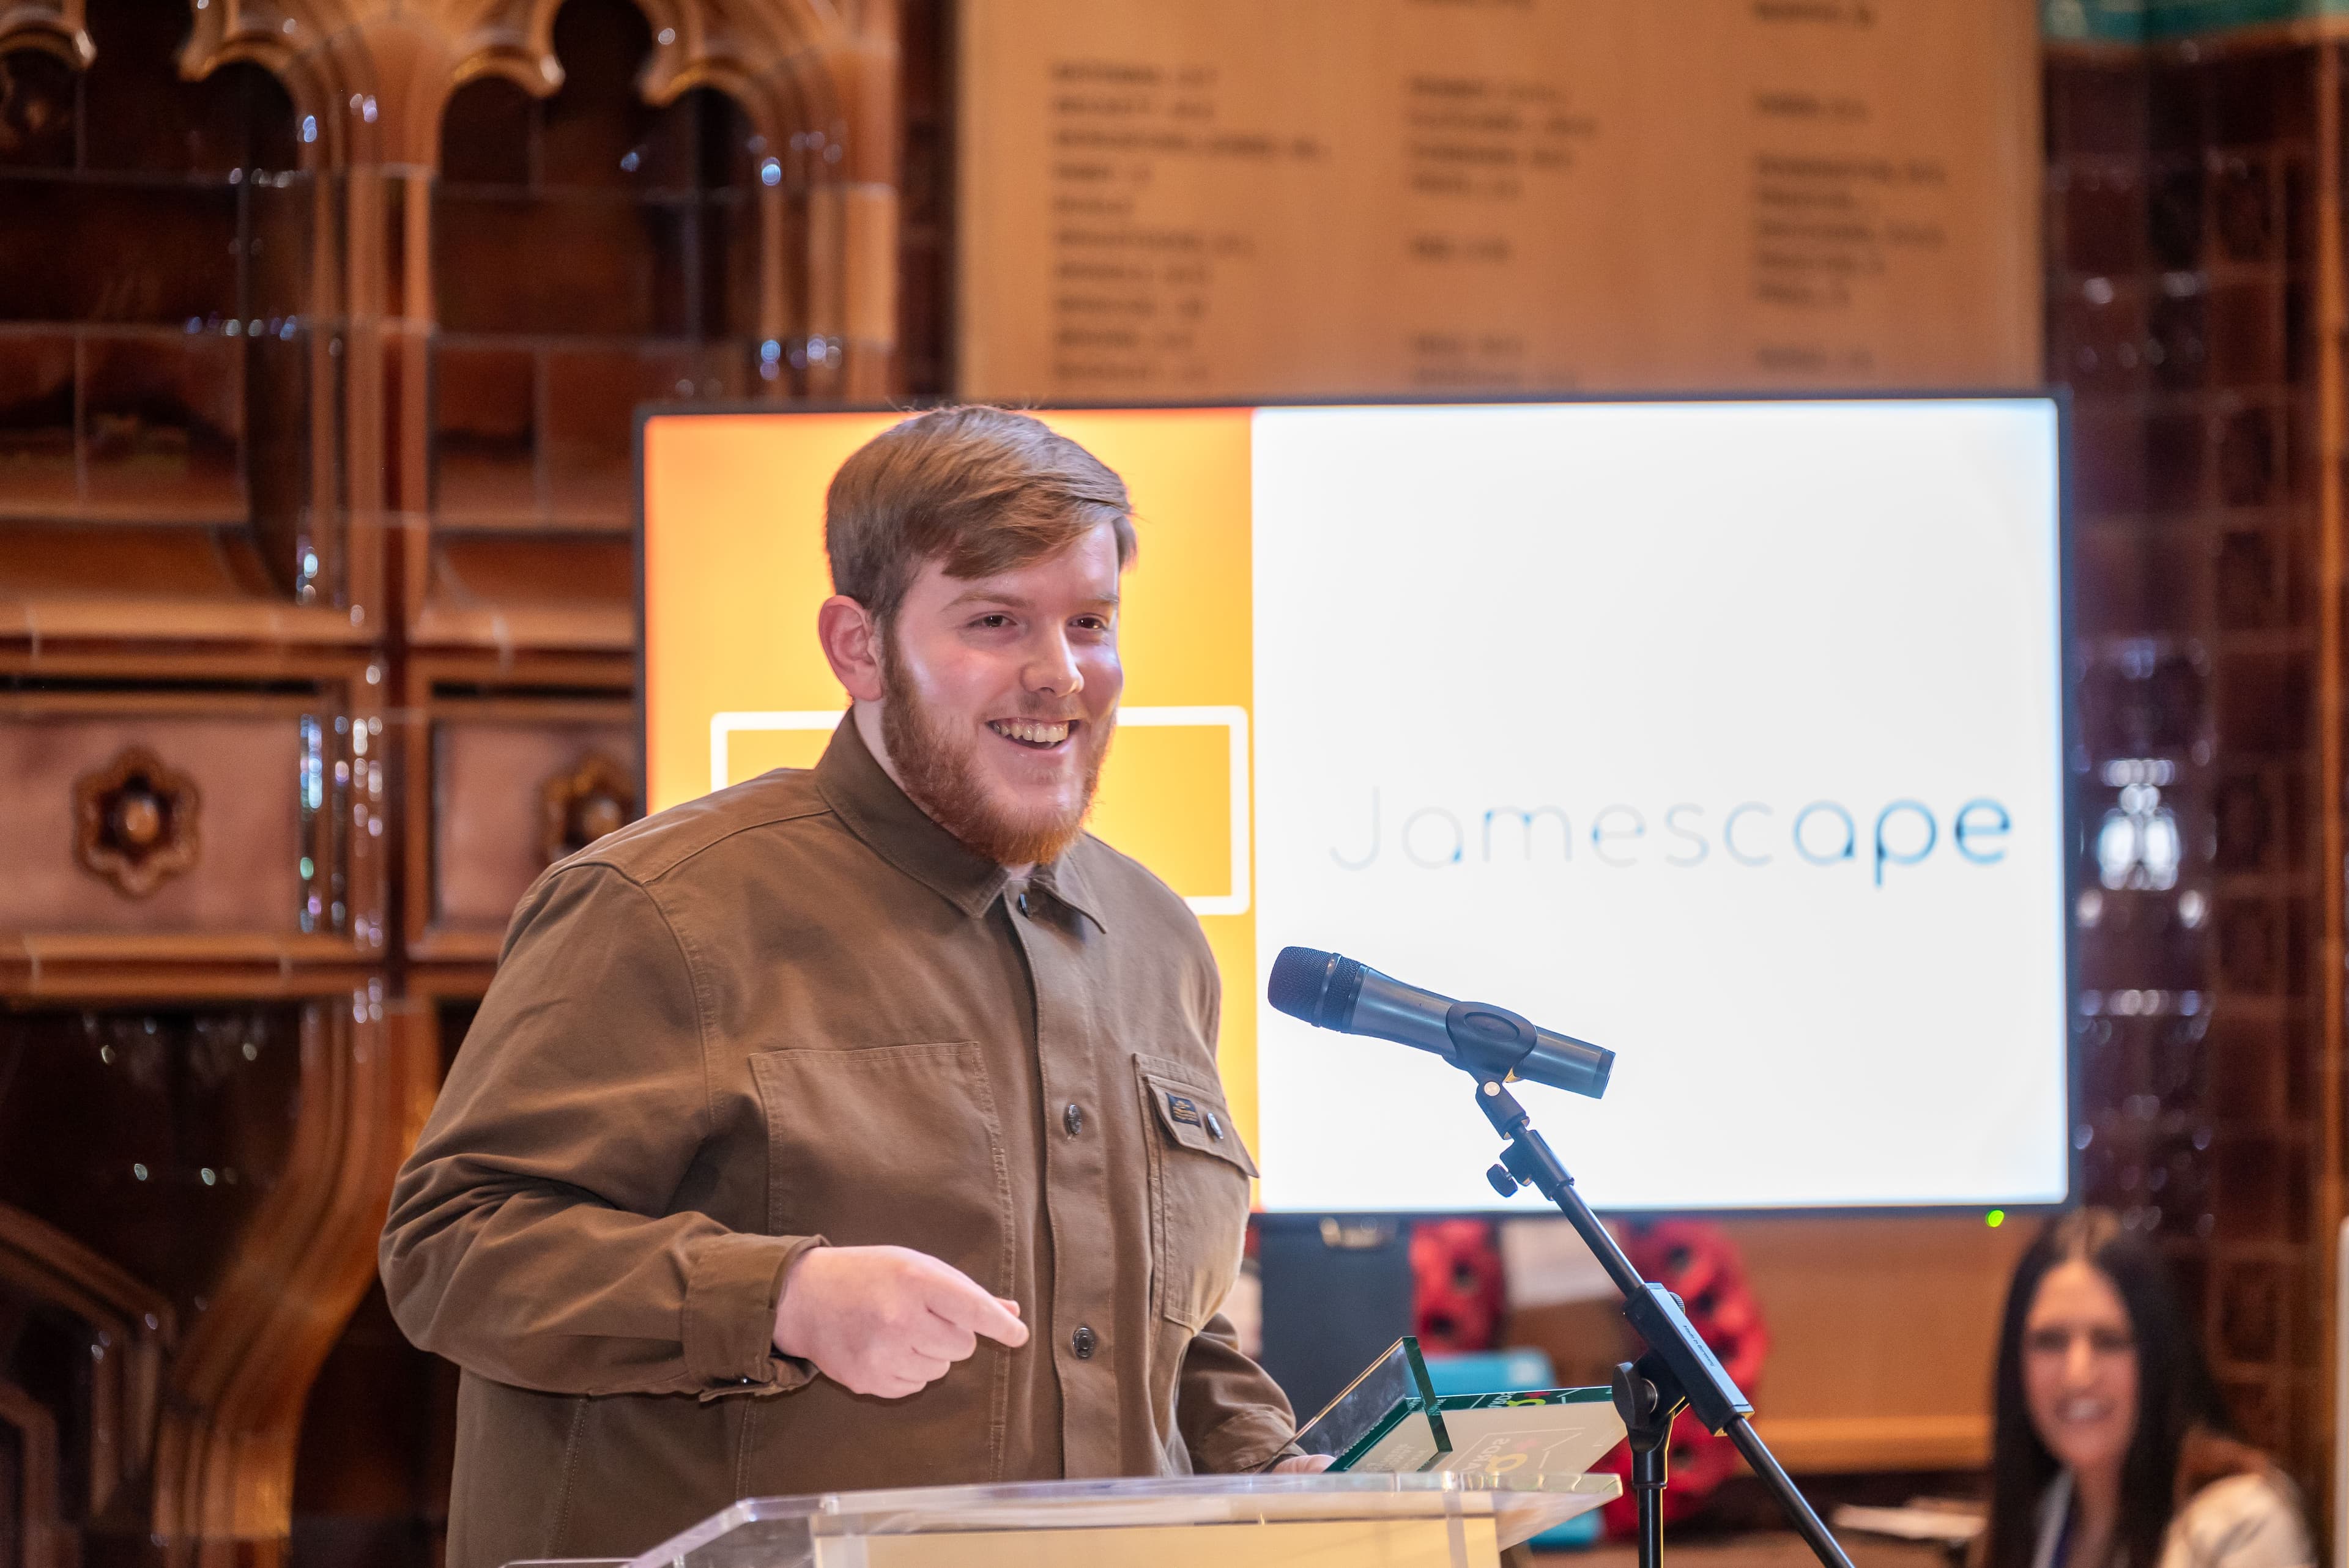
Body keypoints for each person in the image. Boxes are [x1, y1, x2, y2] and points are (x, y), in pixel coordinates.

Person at [380, 406, 1313, 1568]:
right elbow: (451, 1248)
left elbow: (1160, 1322)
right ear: (858, 646)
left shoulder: (1158, 939)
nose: (1060, 673)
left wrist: (1269, 1465)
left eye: (1089, 621)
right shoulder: (659, 906)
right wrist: (784, 1296)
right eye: (995, 621)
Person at [1983, 1209, 2312, 1568]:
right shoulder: (2040, 1518)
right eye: (2051, 1341)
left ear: (2159, 1357)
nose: (2077, 1374)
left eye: (2109, 1341)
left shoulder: (2240, 1524)